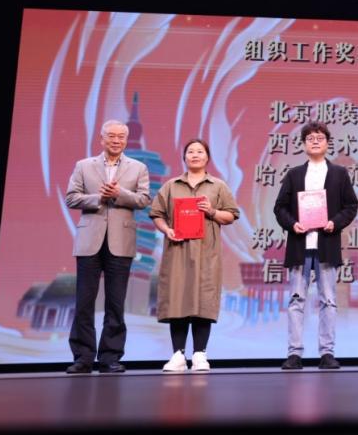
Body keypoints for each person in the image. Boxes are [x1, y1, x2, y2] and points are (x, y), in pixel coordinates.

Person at [63, 119, 151, 374]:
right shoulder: (84, 165)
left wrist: (118, 194)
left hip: (121, 241)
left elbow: (144, 199)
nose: (116, 140)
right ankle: (83, 357)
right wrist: (98, 197)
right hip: (89, 240)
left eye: (121, 136)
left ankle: (110, 357)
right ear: (101, 139)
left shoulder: (138, 168)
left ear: (126, 140)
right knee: (84, 301)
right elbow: (71, 198)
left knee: (115, 302)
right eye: (111, 136)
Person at [273, 121, 358, 370]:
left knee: (328, 300)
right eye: (310, 138)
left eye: (320, 138)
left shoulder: (339, 173)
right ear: (303, 144)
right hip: (300, 245)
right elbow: (280, 207)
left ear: (328, 143)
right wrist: (293, 224)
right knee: (296, 300)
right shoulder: (294, 174)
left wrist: (334, 223)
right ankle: (294, 353)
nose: (315, 141)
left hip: (327, 245)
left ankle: (327, 353)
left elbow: (351, 206)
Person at [150, 139, 240, 372]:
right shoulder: (171, 185)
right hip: (177, 250)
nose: (195, 155)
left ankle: (200, 354)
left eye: (200, 151)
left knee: (203, 300)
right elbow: (157, 214)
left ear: (207, 157)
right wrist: (166, 229)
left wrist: (211, 211)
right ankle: (178, 355)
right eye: (190, 151)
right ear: (184, 157)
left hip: (206, 252)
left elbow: (231, 215)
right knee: (177, 299)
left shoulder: (218, 186)